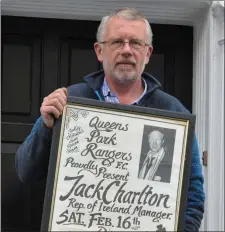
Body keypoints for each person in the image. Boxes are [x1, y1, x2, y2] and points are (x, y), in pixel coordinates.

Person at [15, 7, 205, 231]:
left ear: (148, 53)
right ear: (99, 51)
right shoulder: (69, 103)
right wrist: (46, 128)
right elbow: (25, 171)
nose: (126, 50)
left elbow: (192, 196)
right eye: (116, 42)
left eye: (135, 43)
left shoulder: (173, 114)